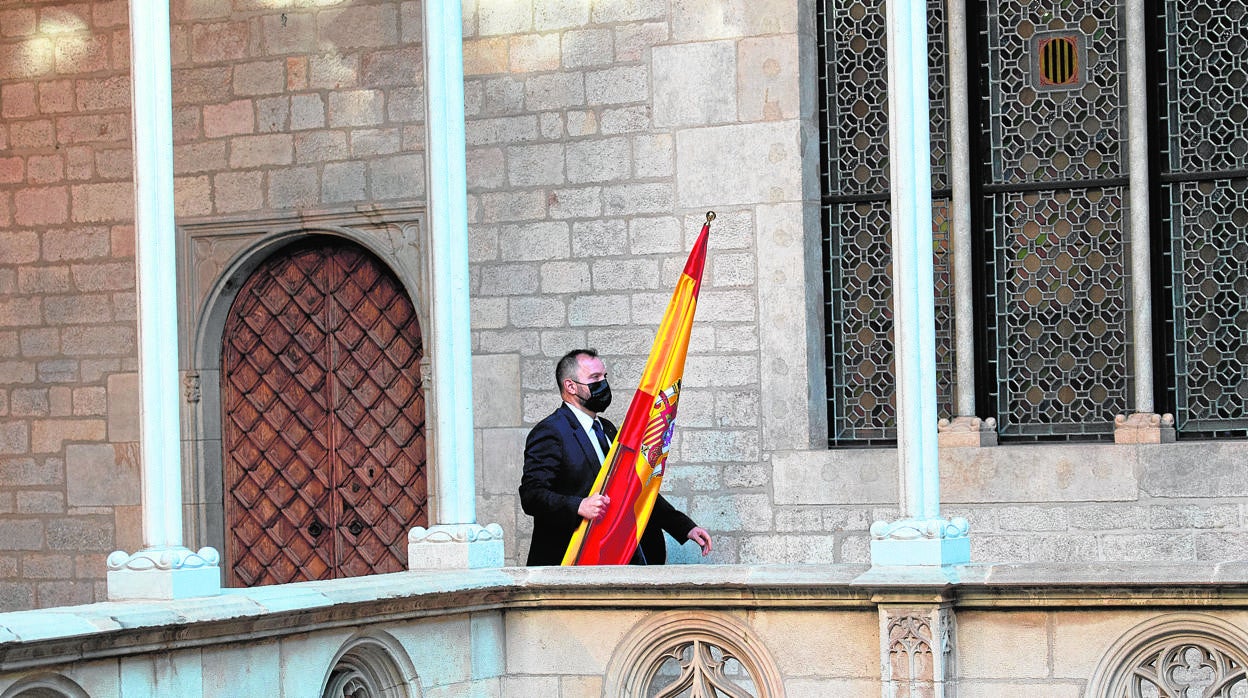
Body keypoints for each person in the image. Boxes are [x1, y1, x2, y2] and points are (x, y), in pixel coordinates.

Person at [519, 349, 713, 566]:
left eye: (604, 377)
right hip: (573, 563)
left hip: (624, 559)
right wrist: (578, 506)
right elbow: (531, 495)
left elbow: (634, 487)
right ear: (570, 386)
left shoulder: (608, 430)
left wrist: (684, 527)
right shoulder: (551, 432)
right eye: (594, 378)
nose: (603, 383)